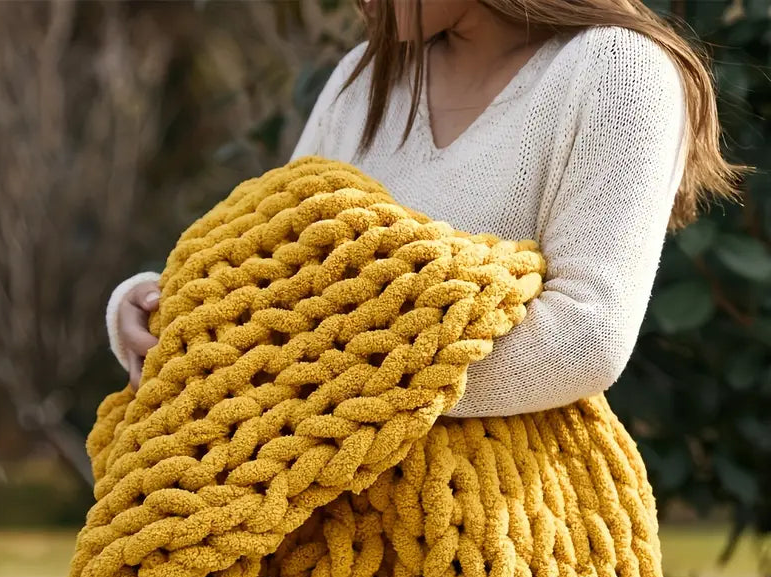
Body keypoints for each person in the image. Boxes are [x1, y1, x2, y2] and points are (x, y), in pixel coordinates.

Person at [106, 0, 742, 417]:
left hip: (485, 540)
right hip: (312, 529)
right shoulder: (362, 79)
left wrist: (313, 387)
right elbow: (272, 266)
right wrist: (156, 305)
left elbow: (586, 339)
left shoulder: (616, 71)